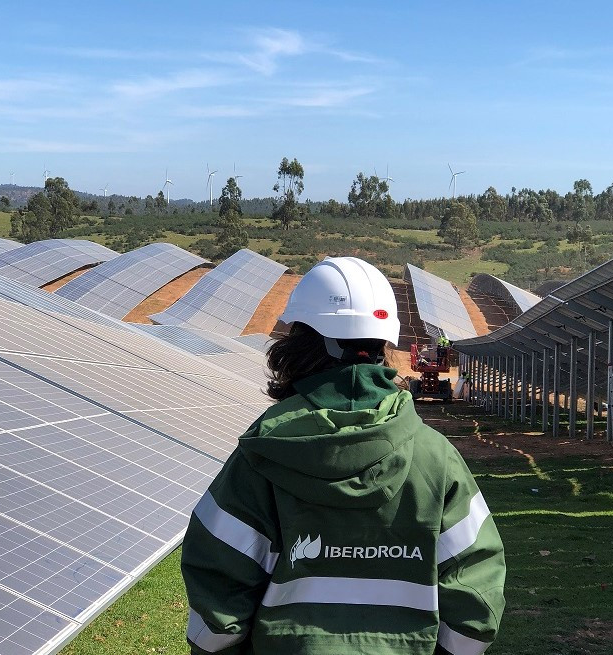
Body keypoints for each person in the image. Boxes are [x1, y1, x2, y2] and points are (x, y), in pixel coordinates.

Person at [181, 257, 505, 655]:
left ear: (301, 342)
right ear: (385, 344)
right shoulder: (437, 459)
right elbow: (476, 595)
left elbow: (218, 589)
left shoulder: (263, 454)